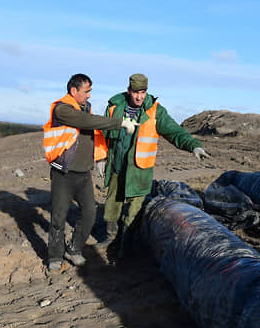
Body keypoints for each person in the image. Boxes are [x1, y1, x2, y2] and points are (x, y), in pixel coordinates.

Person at [98, 73, 211, 256]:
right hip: (118, 166)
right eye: (135, 92)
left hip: (140, 170)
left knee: (134, 211)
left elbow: (174, 131)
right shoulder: (114, 106)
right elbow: (101, 133)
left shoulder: (155, 111)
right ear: (129, 91)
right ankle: (111, 237)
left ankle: (126, 245)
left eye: (143, 92)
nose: (139, 97)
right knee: (112, 205)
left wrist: (194, 146)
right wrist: (100, 158)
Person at [42, 73, 137, 271]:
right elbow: (88, 122)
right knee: (58, 218)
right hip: (64, 174)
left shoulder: (86, 108)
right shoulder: (62, 109)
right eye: (86, 92)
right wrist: (120, 123)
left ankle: (74, 250)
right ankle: (54, 256)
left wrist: (100, 158)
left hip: (84, 173)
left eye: (90, 91)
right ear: (73, 90)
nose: (89, 96)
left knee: (89, 214)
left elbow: (94, 133)